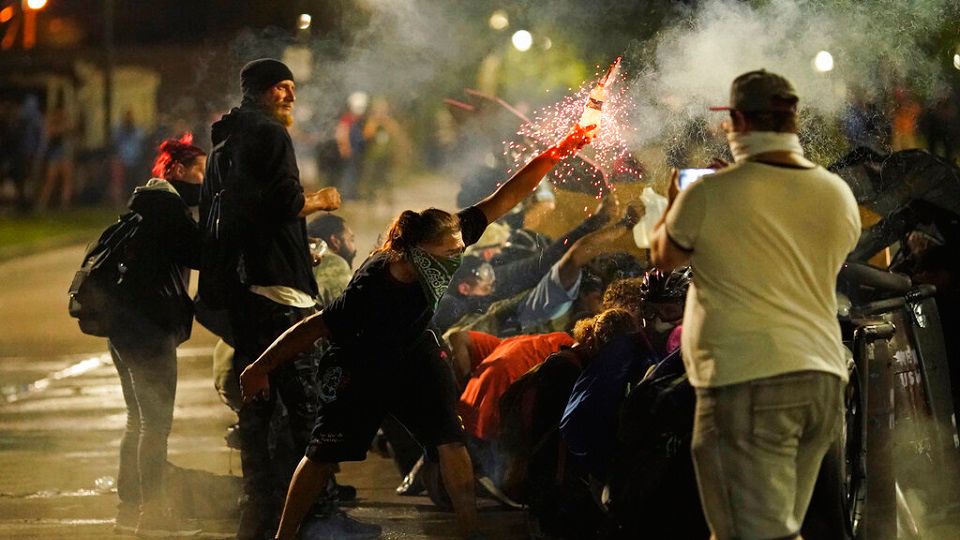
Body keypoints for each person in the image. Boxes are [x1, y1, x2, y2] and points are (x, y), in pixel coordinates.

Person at [240, 124, 592, 539]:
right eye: (449, 253)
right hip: (362, 361)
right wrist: (259, 367)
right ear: (416, 252)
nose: (456, 257)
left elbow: (505, 197)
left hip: (415, 352)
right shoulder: (373, 284)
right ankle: (285, 534)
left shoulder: (449, 236)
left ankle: (470, 532)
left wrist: (558, 151)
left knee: (450, 440)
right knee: (321, 454)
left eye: (459, 249)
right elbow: (315, 326)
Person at [650, 69, 861, 540]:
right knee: (780, 526)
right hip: (822, 379)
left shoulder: (708, 192)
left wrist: (673, 202)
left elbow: (665, 255)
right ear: (793, 122)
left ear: (738, 121)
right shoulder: (836, 192)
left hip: (747, 381)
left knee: (750, 533)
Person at [208, 58, 342, 540]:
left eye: (292, 88)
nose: (290, 96)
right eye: (281, 88)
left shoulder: (226, 136)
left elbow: (245, 211)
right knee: (309, 406)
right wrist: (322, 201)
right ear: (261, 91)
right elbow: (284, 203)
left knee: (256, 404)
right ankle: (320, 512)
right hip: (281, 293)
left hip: (245, 290)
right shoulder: (271, 135)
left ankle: (259, 505)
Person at [109, 135, 206, 537]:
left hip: (121, 328)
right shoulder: (168, 210)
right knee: (155, 425)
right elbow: (202, 255)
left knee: (138, 418)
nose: (205, 179)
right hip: (149, 331)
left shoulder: (144, 204)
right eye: (201, 171)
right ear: (179, 171)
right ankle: (154, 513)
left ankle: (130, 499)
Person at [307, 213, 357, 308]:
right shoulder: (334, 262)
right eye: (351, 239)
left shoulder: (304, 257)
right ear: (335, 241)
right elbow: (350, 309)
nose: (355, 248)